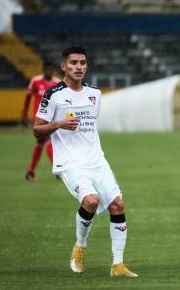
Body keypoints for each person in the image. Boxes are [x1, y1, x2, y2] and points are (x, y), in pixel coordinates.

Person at [33, 46, 137, 277]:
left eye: (82, 63)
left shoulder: (95, 94)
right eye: (73, 63)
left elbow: (89, 129)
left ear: (86, 66)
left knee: (118, 205)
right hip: (71, 163)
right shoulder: (52, 95)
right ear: (64, 66)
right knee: (90, 201)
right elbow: (37, 130)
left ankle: (117, 266)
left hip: (97, 161)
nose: (78, 67)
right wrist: (58, 124)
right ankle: (80, 247)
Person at [22, 61, 60, 181]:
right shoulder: (35, 81)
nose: (49, 72)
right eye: (47, 69)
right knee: (48, 142)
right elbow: (28, 98)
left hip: (52, 117)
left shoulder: (57, 83)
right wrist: (24, 114)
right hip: (39, 118)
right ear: (43, 69)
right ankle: (58, 170)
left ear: (53, 70)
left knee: (41, 143)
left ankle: (31, 172)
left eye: (51, 69)